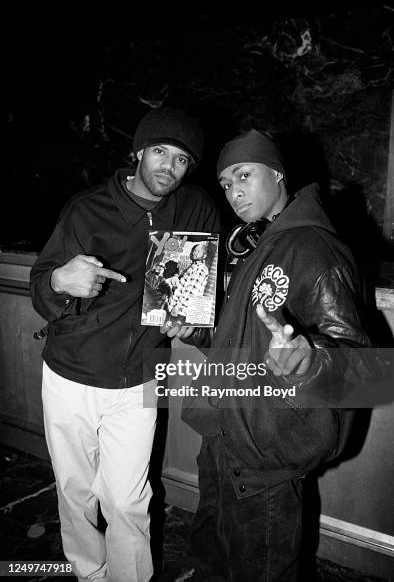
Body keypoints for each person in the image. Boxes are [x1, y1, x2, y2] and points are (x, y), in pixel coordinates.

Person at [29, 107, 221, 582]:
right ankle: (89, 571)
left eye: (181, 160)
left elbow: (206, 292)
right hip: (71, 372)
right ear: (138, 152)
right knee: (75, 489)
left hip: (142, 375)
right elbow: (40, 286)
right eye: (160, 151)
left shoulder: (196, 209)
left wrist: (192, 326)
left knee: (128, 500)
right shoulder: (86, 208)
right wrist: (59, 279)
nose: (168, 168)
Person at [181, 129, 371, 581]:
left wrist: (309, 361)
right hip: (222, 438)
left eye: (245, 174)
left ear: (279, 173)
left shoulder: (315, 248)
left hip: (265, 453)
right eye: (226, 183)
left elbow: (362, 369)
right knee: (211, 562)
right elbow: (242, 339)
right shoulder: (255, 244)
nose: (233, 191)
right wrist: (199, 333)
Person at [166, 243, 209, 322]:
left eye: (198, 251)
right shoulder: (194, 266)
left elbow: (190, 291)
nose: (195, 253)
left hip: (181, 311)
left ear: (204, 255)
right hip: (178, 309)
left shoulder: (200, 268)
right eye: (194, 251)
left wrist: (177, 307)